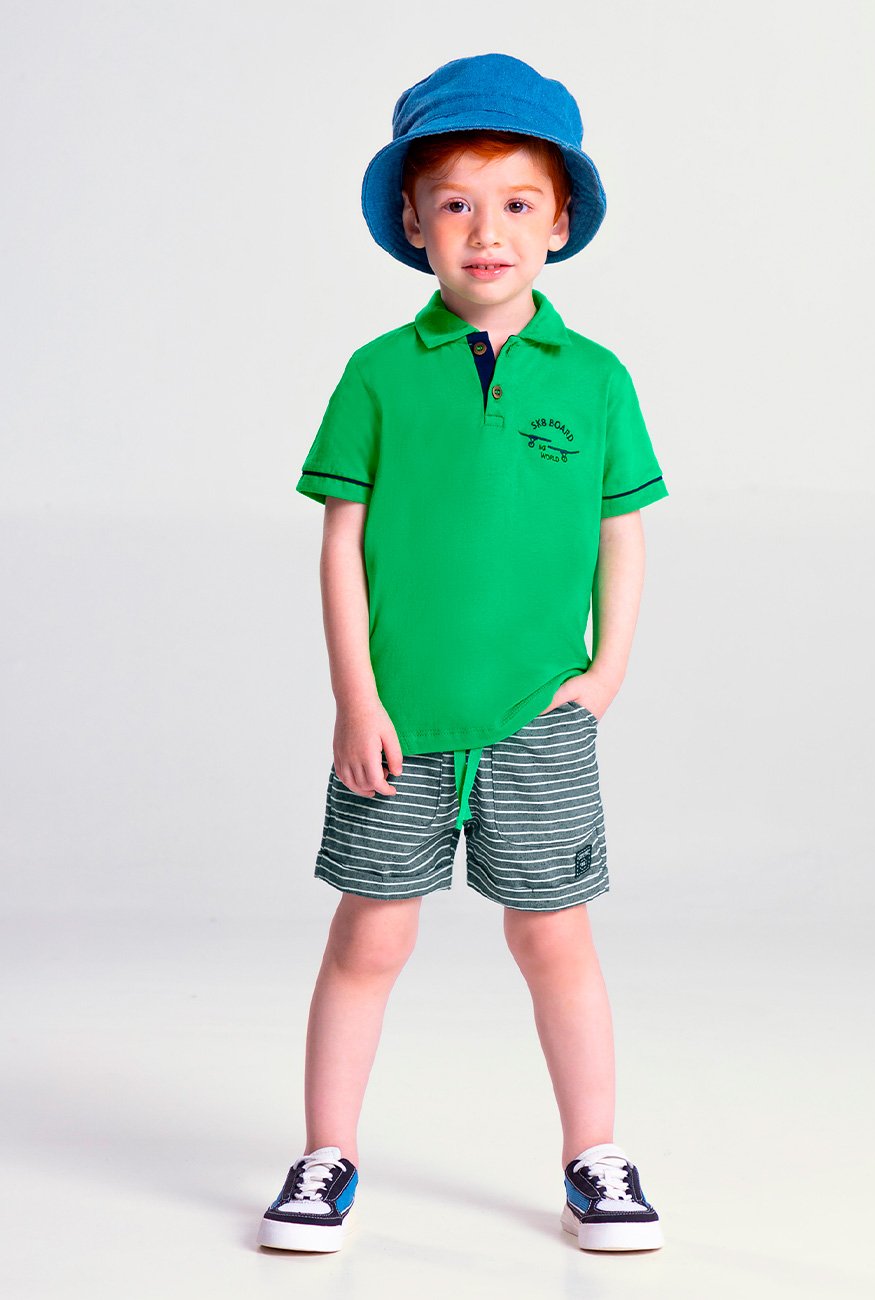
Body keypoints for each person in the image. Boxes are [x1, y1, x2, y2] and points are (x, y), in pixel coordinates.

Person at [257, 52, 669, 1255]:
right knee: (369, 935)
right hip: (400, 720)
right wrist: (355, 698)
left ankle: (593, 1157)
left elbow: (621, 531)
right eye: (455, 203)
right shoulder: (378, 376)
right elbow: (341, 544)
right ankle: (325, 1154)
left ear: (559, 222)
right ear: (411, 220)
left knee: (553, 936)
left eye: (516, 203)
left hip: (538, 713)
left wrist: (604, 673)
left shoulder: (595, 381)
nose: (486, 232)